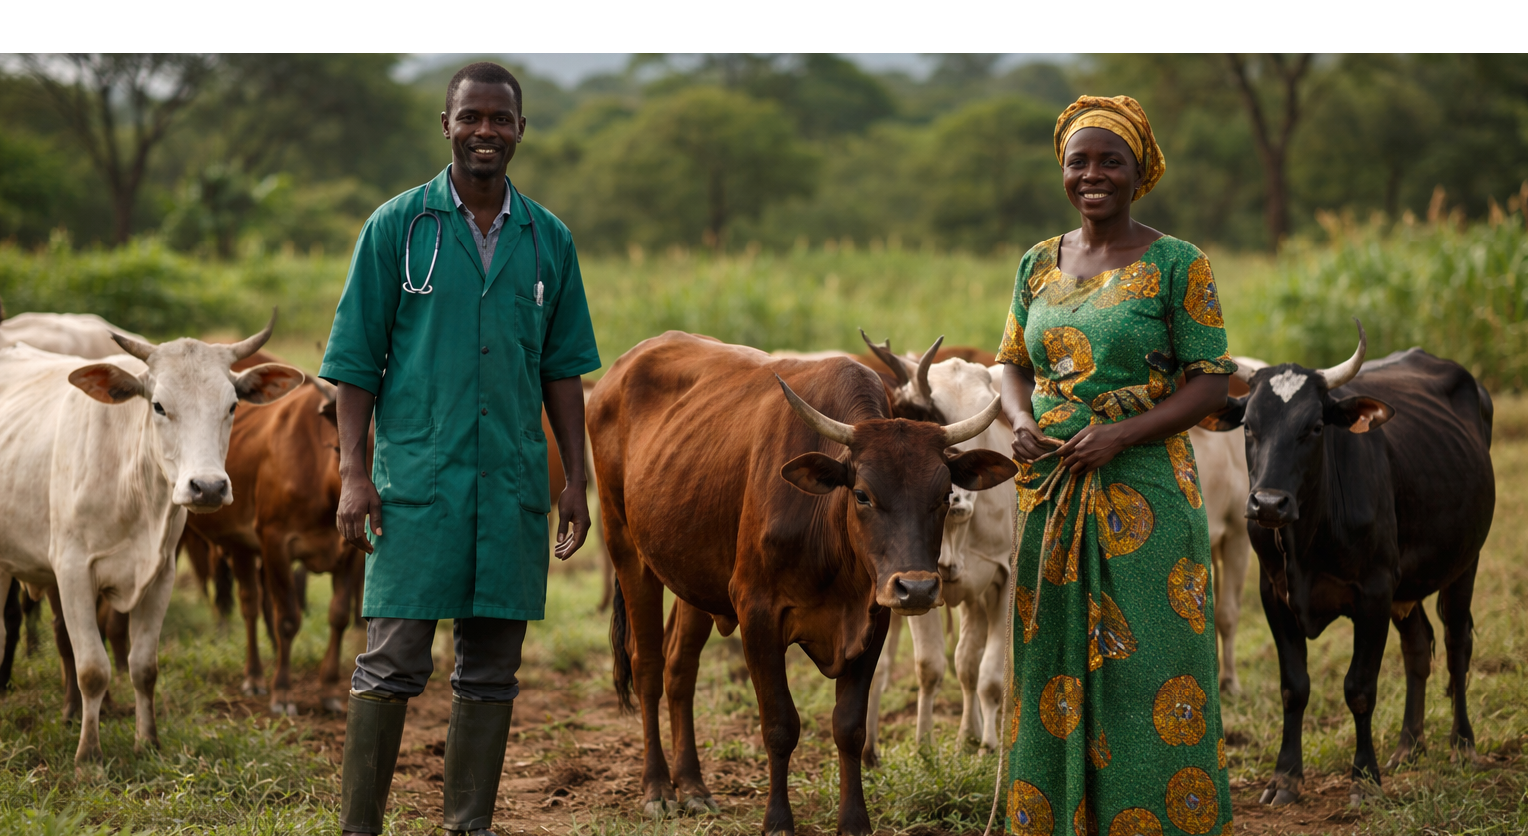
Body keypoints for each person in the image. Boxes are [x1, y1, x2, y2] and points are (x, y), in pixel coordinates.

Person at [321, 62, 601, 836]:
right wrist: (353, 472)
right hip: (416, 483)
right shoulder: (396, 228)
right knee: (391, 663)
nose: (486, 131)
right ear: (445, 125)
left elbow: (563, 371)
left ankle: (467, 827)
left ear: (520, 130)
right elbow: (352, 365)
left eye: (500, 119)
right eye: (470, 116)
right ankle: (359, 828)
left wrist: (575, 480)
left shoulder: (550, 241)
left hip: (510, 484)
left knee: (491, 671)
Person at [996, 95, 1235, 836]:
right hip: (1052, 490)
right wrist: (1022, 420)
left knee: (1154, 662)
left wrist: (1121, 435)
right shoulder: (1038, 263)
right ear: (1062, 171)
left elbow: (1211, 382)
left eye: (1110, 161)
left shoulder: (1178, 264)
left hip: (1150, 493)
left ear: (1140, 172)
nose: (1092, 175)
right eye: (1079, 162)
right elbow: (1010, 364)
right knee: (1051, 663)